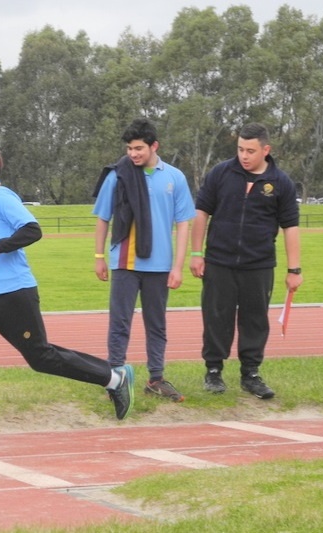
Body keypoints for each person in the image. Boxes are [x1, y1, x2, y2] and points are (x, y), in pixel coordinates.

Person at [0, 145, 134, 452]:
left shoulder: (2, 197)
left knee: (40, 357)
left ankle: (114, 378)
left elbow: (33, 230)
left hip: (13, 295)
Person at [190, 123, 302, 399]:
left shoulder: (281, 183)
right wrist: (196, 253)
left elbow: (291, 227)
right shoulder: (221, 173)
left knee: (255, 320)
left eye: (250, 150)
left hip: (259, 264)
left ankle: (250, 374)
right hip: (219, 260)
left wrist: (294, 269)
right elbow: (201, 213)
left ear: (266, 150)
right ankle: (213, 371)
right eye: (240, 149)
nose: (244, 155)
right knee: (217, 317)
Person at [92, 118, 195, 402]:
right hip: (124, 262)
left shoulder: (175, 177)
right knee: (120, 322)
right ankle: (115, 379)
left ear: (154, 146)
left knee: (156, 323)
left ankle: (156, 379)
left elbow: (184, 223)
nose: (133, 154)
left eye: (139, 148)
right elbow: (102, 218)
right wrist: (99, 257)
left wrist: (178, 266)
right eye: (129, 148)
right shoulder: (118, 175)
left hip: (160, 266)